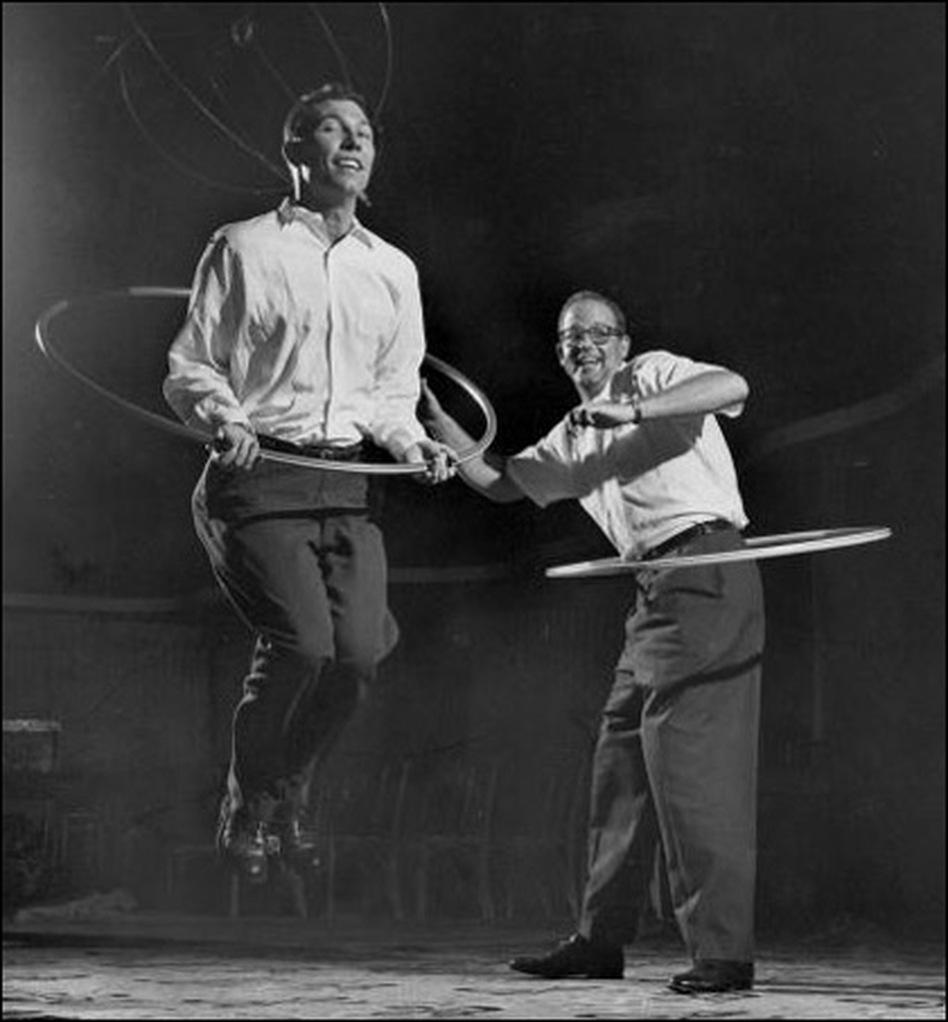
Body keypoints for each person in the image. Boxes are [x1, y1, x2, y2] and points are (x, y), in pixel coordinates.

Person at [420, 290, 765, 994]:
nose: (586, 346)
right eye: (571, 338)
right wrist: (434, 420)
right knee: (620, 760)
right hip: (653, 593)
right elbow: (500, 483)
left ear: (624, 343)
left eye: (599, 334)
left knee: (690, 767)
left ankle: (723, 955)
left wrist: (631, 410)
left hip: (706, 571)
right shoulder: (573, 434)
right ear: (559, 352)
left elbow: (732, 386)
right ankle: (599, 941)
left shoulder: (654, 376)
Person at [163, 82, 455, 886]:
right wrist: (223, 417)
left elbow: (392, 392)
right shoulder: (244, 246)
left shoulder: (392, 269)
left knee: (358, 658)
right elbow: (192, 364)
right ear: (296, 150)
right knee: (301, 644)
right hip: (258, 480)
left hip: (349, 484)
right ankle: (249, 803)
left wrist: (414, 442)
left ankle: (286, 790)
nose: (352, 144)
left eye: (362, 131)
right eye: (331, 130)